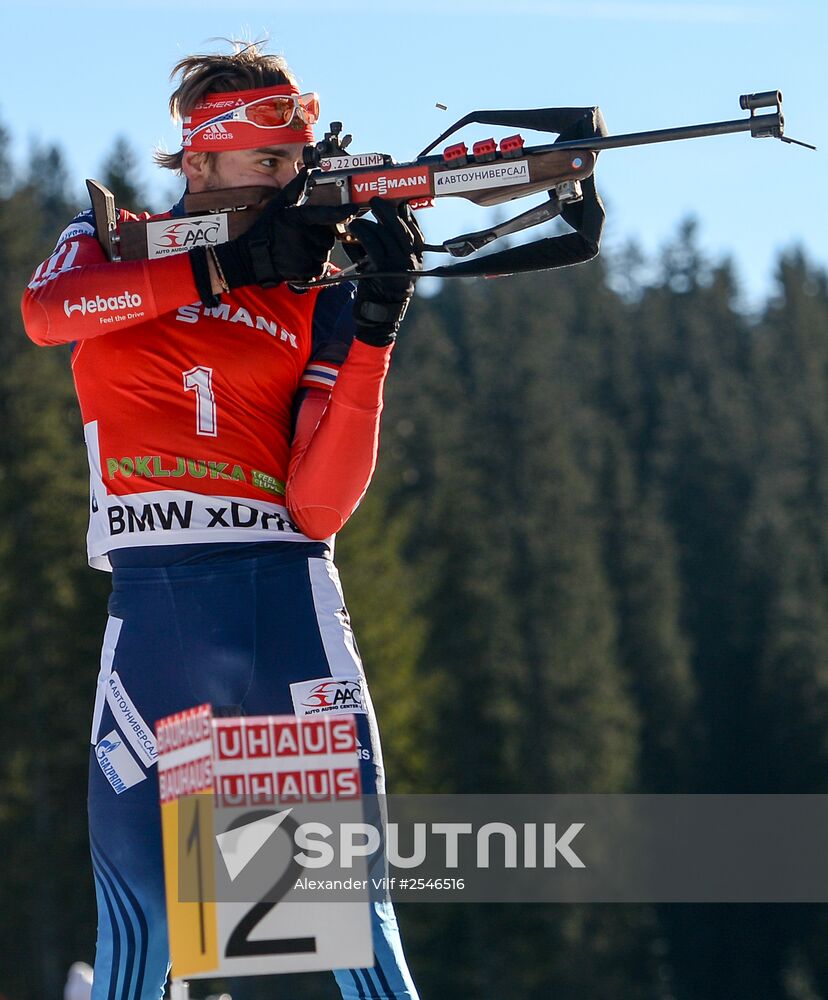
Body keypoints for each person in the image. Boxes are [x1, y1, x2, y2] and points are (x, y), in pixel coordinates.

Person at [21, 41, 422, 1000]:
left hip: (282, 606)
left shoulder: (309, 285)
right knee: (143, 934)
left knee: (344, 936)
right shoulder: (112, 238)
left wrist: (372, 331)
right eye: (267, 160)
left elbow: (318, 503)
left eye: (297, 161)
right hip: (159, 615)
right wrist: (225, 268)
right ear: (198, 161)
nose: (289, 180)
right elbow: (47, 314)